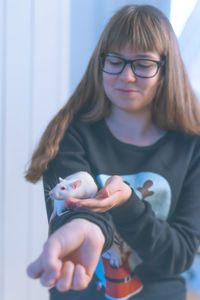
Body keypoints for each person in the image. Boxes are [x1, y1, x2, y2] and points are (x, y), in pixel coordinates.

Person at [25, 4, 200, 300]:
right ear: (101, 63)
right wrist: (83, 227)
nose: (126, 76)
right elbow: (73, 212)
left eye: (143, 64)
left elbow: (179, 254)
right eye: (116, 60)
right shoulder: (69, 135)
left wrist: (128, 202)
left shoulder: (191, 147)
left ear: (165, 71)